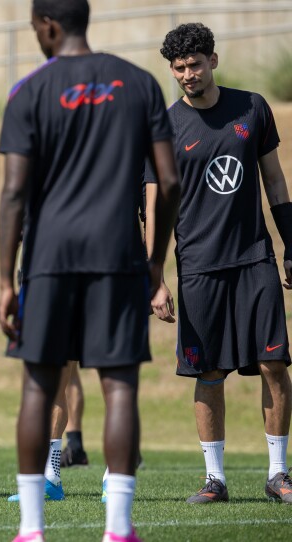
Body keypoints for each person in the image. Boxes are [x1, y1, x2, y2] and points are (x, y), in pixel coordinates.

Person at [0, 2, 180, 541]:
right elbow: (168, 184)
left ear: (48, 26)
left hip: (49, 259)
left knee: (38, 386)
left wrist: (7, 279)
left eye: (34, 29)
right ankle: (118, 529)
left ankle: (31, 530)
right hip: (119, 255)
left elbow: (12, 192)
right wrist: (154, 261)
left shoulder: (28, 91)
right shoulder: (140, 83)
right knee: (119, 388)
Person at [151, 22, 292, 505]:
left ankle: (278, 475)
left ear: (213, 60)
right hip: (198, 267)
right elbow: (152, 208)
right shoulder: (164, 128)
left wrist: (290, 244)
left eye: (194, 63)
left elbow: (274, 182)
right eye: (179, 67)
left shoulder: (252, 108)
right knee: (208, 373)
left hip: (255, 258)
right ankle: (215, 480)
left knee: (273, 362)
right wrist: (155, 278)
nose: (188, 74)